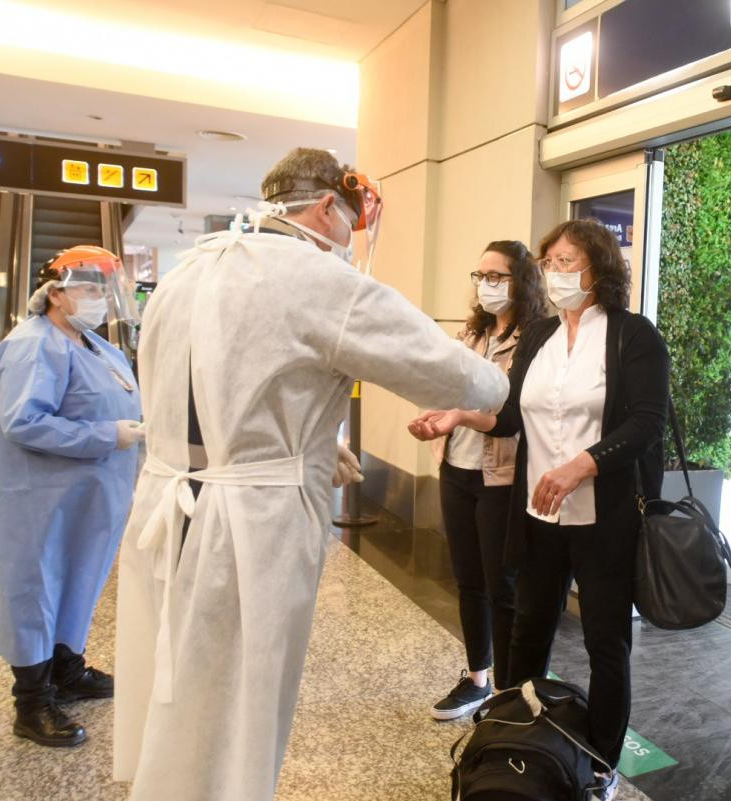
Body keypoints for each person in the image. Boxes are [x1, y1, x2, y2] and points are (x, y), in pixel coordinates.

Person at [112, 148, 509, 801]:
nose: (348, 244)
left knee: (178, 682)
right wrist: (498, 381)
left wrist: (313, 446)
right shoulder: (315, 277)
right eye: (349, 226)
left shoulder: (194, 269)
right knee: (238, 704)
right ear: (327, 207)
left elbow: (208, 402)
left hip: (169, 503)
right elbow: (467, 378)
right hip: (249, 525)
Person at [411, 219, 669, 800]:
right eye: (548, 261)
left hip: (603, 517)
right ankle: (515, 742)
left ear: (598, 268)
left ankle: (600, 766)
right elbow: (509, 417)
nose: (554, 271)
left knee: (606, 645)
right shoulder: (541, 337)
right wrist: (458, 418)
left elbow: (646, 424)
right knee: (527, 632)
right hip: (538, 514)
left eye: (566, 260)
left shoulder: (633, 336)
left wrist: (585, 463)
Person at [0, 246, 143, 747]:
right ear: (54, 293)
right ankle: (32, 702)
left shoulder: (95, 345)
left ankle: (66, 669)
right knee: (38, 587)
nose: (100, 299)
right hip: (42, 499)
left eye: (105, 290)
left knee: (81, 579)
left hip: (91, 497)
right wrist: (107, 436)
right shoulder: (35, 345)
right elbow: (23, 421)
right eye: (89, 288)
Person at [408, 240, 548, 720]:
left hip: (500, 475)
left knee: (501, 585)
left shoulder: (533, 337)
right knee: (468, 581)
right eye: (481, 276)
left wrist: (461, 417)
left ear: (521, 280)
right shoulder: (474, 332)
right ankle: (477, 680)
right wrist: (437, 417)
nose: (486, 285)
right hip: (457, 468)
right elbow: (451, 389)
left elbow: (511, 418)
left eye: (497, 276)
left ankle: (510, 695)